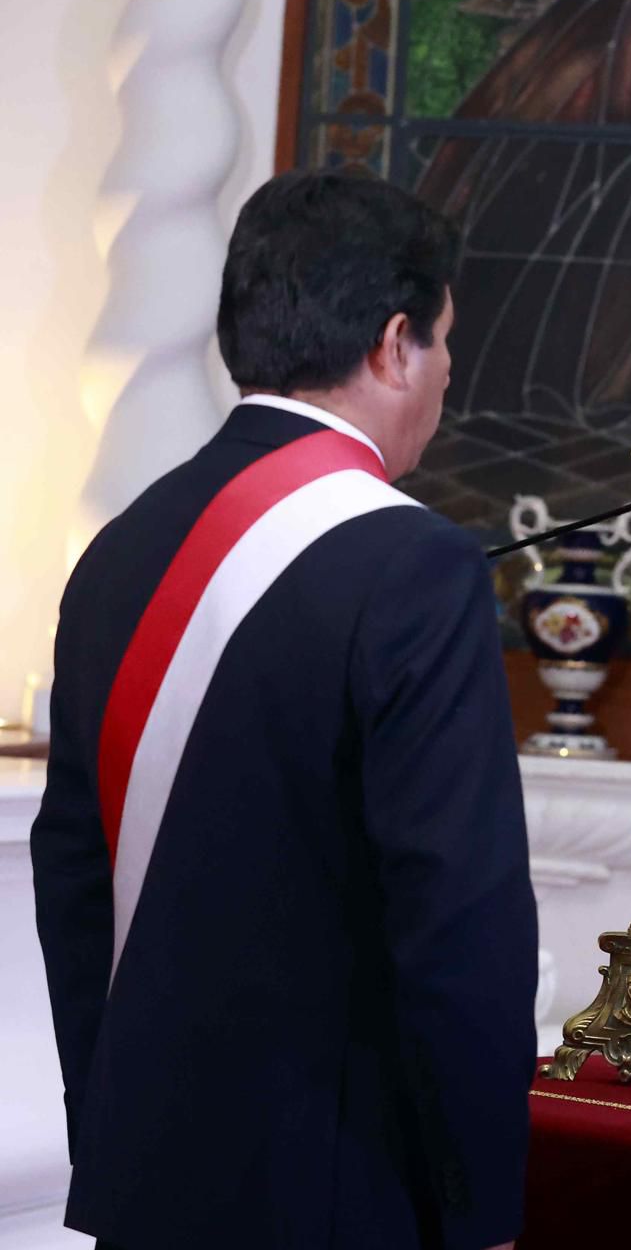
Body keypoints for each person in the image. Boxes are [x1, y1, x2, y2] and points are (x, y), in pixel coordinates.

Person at [30, 171, 537, 1249]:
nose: (449, 370)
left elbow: (71, 876)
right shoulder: (418, 564)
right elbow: (459, 919)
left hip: (145, 1188)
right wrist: (484, 1204)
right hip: (339, 1198)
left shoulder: (118, 551)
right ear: (395, 342)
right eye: (445, 339)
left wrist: (109, 1129)